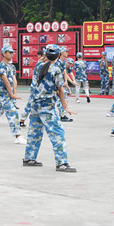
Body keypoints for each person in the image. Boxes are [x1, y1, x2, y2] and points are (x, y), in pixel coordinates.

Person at [23, 44, 77, 172]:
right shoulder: (56, 69)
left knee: (34, 131)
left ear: (45, 54)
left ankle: (29, 158)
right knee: (57, 133)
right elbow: (60, 89)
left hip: (36, 104)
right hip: (47, 105)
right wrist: (65, 106)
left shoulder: (38, 65)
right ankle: (62, 163)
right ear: (58, 56)